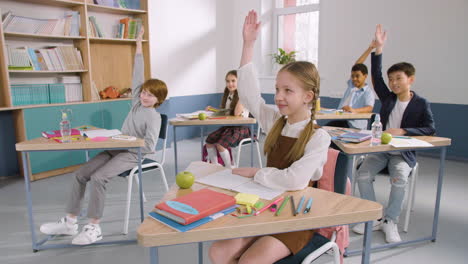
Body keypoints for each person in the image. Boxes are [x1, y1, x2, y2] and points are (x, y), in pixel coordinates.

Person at [209, 10, 331, 263]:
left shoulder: (319, 137)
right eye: (277, 89)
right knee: (218, 252)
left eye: (288, 90)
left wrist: (256, 173)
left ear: (308, 96)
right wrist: (248, 44)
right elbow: (250, 95)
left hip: (297, 213)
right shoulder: (276, 121)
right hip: (266, 202)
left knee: (250, 261)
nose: (279, 96)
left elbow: (296, 180)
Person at [39, 27, 168, 245]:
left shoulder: (153, 117)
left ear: (158, 99)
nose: (145, 96)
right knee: (81, 174)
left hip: (132, 153)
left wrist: (127, 141)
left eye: (151, 95)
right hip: (116, 147)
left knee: (99, 177)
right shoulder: (136, 102)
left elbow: (149, 146)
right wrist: (138, 45)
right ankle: (70, 223)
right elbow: (138, 74)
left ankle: (93, 228)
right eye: (144, 92)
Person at [353, 24, 435, 243]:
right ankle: (374, 216)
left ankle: (391, 220)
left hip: (403, 152)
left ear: (411, 79)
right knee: (362, 174)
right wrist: (378, 50)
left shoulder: (421, 103)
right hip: (381, 150)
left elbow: (430, 129)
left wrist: (404, 131)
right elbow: (376, 76)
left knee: (399, 180)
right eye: (391, 79)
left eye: (399, 78)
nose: (394, 83)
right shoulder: (388, 98)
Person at [205, 70, 250, 168]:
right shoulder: (229, 94)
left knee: (220, 145)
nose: (230, 84)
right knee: (209, 140)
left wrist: (242, 91)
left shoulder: (244, 95)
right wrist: (213, 110)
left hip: (241, 128)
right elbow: (226, 112)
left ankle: (229, 168)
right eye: (228, 81)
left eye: (233, 81)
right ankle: (215, 165)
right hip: (229, 127)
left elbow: (237, 113)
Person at [329, 42, 376, 129]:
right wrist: (369, 49)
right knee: (324, 131)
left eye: (357, 76)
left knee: (326, 131)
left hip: (354, 125)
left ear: (365, 76)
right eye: (352, 76)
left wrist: (354, 110)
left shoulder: (368, 92)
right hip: (341, 120)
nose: (354, 79)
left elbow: (369, 108)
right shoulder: (352, 85)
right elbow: (357, 64)